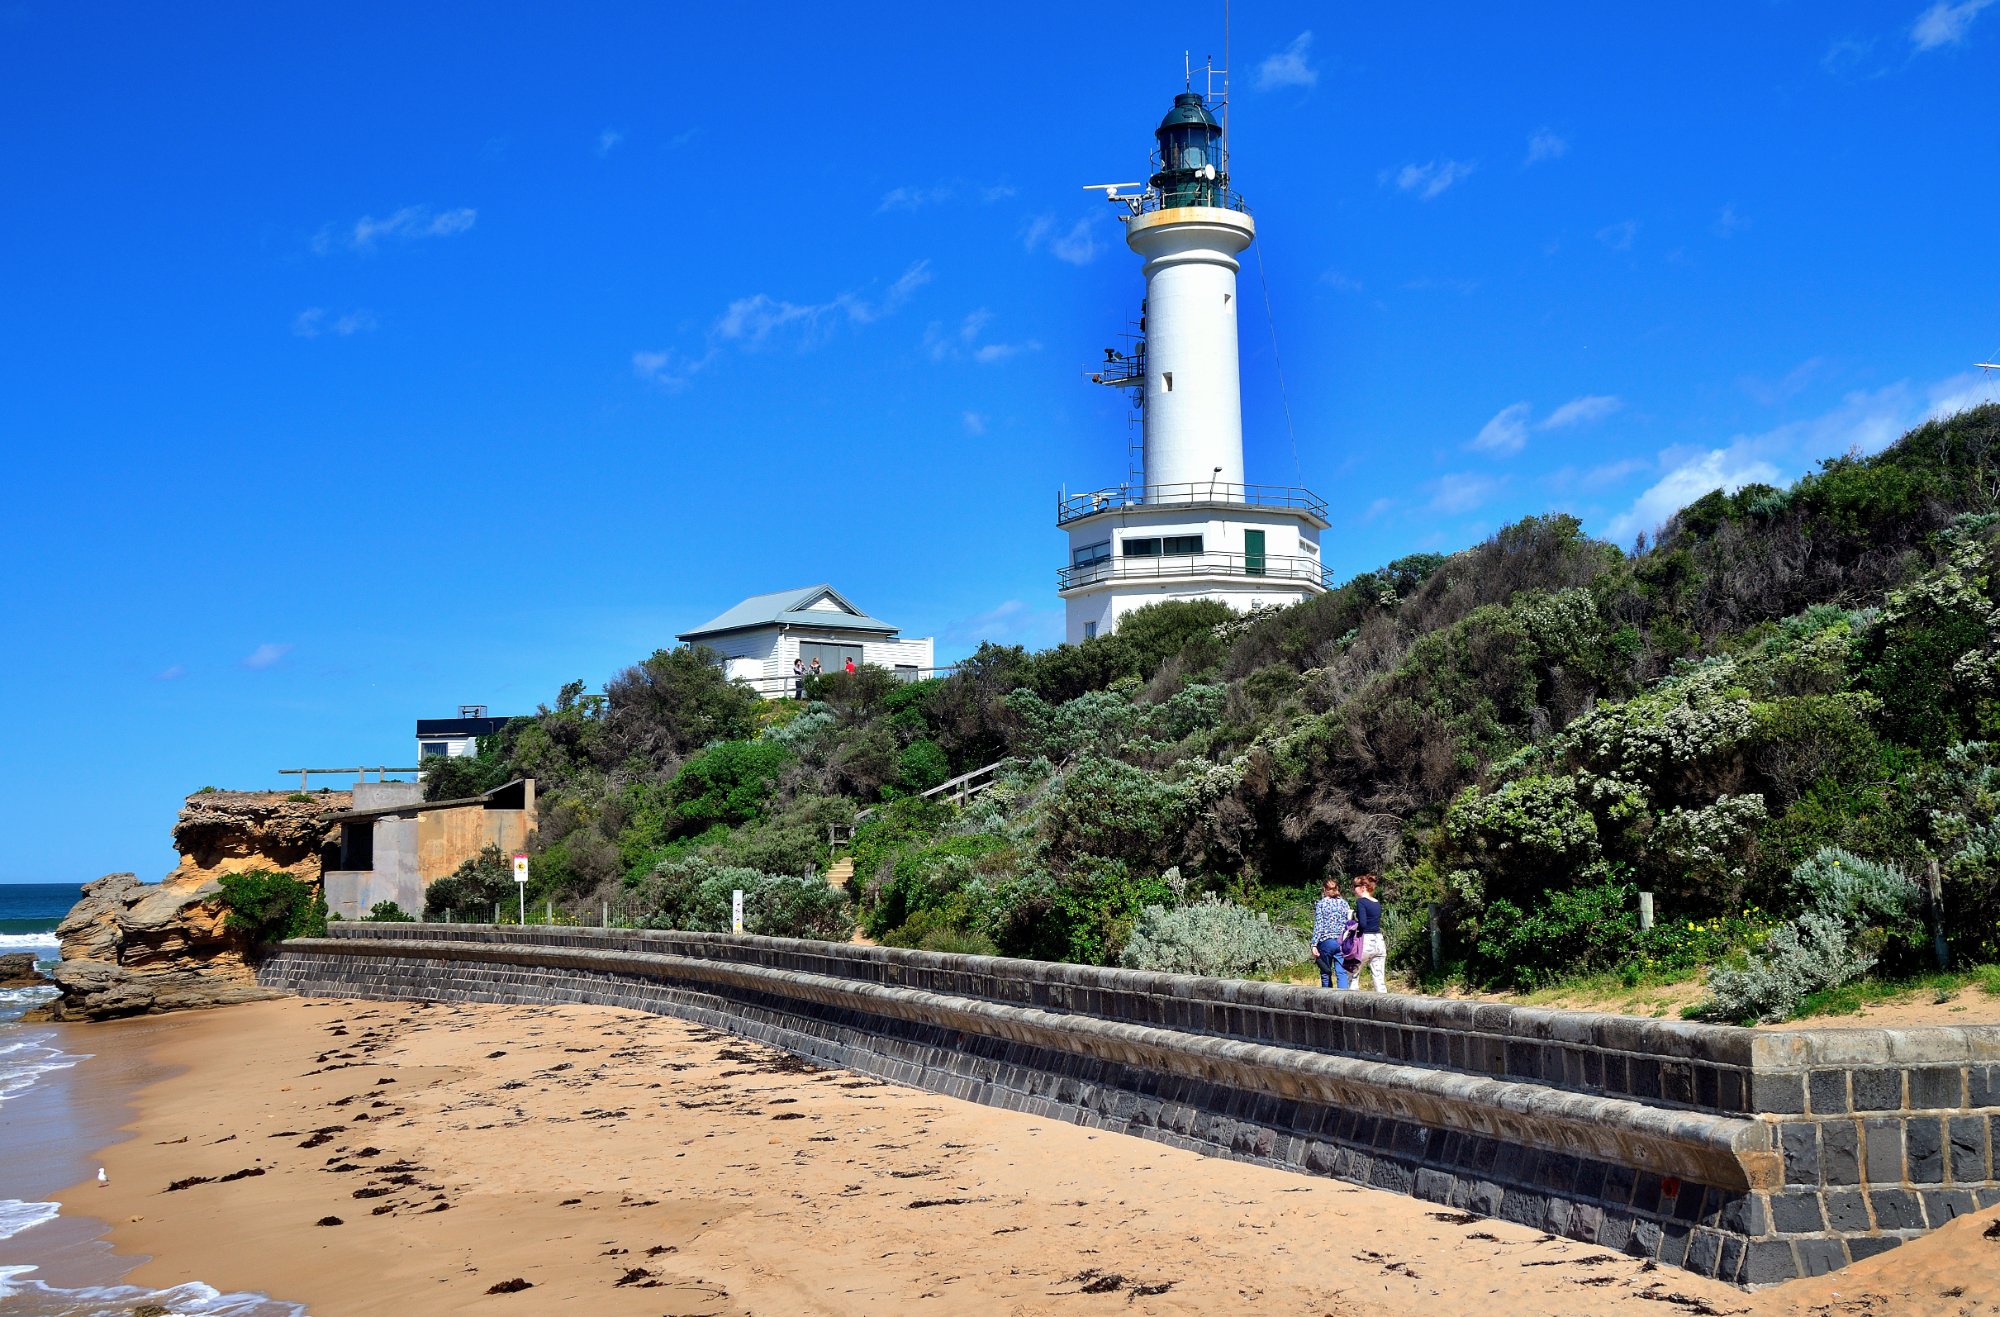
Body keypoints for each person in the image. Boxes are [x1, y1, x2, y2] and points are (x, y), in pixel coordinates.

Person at [1310, 876, 1352, 990]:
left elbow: (1319, 925)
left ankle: (1326, 1000)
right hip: (1341, 942)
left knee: (1325, 972)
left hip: (1326, 942)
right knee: (1341, 973)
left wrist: (1314, 944)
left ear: (1324, 889)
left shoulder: (1321, 904)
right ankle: (1343, 1001)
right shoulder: (1344, 904)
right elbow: (1349, 923)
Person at [1351, 873, 1387, 993]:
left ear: (1363, 887)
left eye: (1355, 886)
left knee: (1353, 975)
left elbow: (1363, 924)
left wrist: (1352, 923)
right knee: (1379, 978)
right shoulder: (1376, 902)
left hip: (1365, 941)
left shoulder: (1361, 902)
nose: (1354, 890)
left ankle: (1351, 1005)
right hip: (1379, 941)